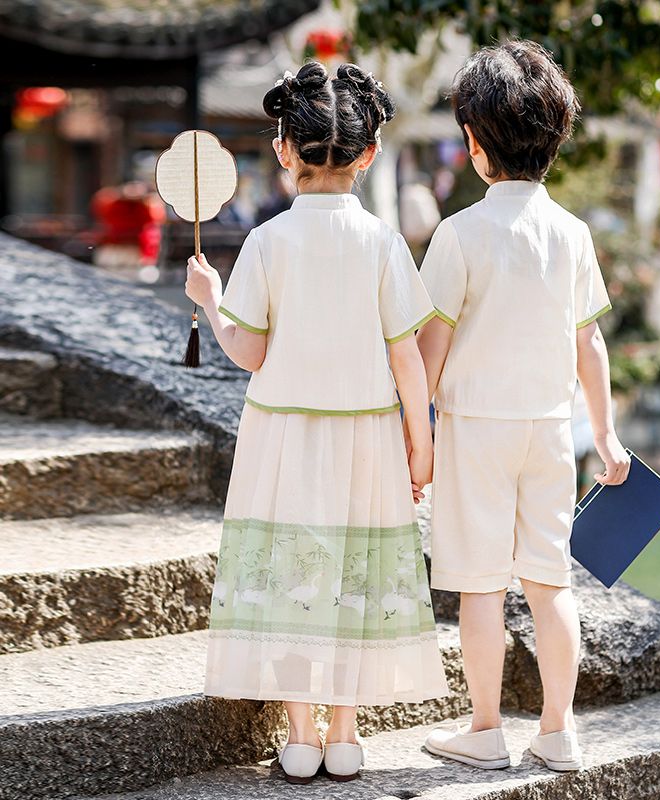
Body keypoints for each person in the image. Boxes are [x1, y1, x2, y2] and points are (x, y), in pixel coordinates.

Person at [184, 61, 449, 785]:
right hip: (366, 436)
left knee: (293, 571)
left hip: (284, 436)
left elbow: (249, 350)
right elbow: (408, 364)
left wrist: (209, 299)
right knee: (354, 573)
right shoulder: (384, 244)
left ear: (283, 151)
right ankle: (346, 731)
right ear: (368, 153)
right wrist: (419, 451)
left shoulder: (268, 243)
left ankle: (299, 734)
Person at [415, 41, 631, 773]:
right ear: (555, 137)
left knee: (480, 586)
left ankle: (484, 728)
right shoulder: (571, 233)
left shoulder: (458, 233)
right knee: (550, 581)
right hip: (549, 429)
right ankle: (558, 730)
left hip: (473, 428)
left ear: (474, 142)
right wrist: (605, 435)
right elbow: (589, 343)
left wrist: (414, 433)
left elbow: (430, 349)